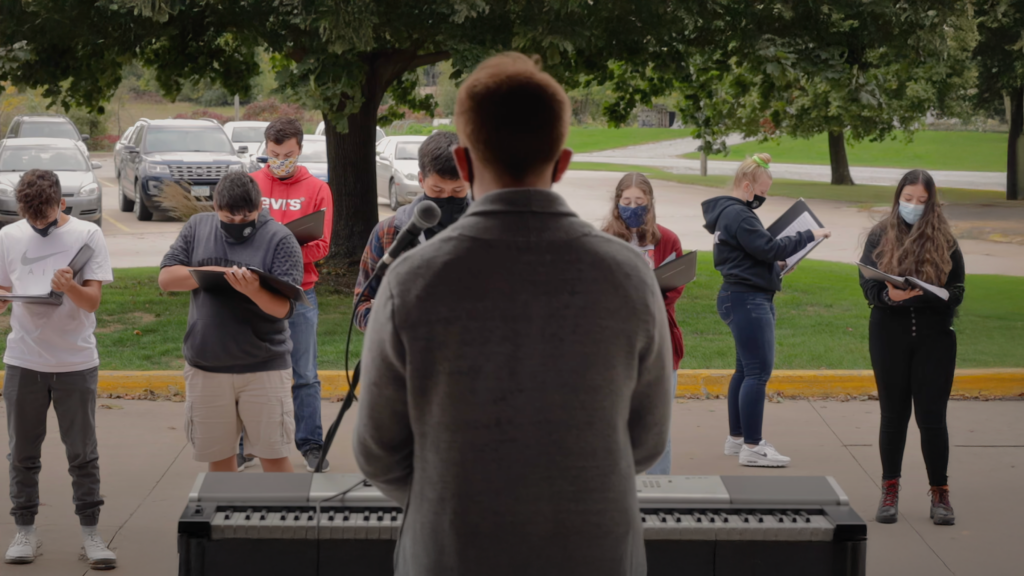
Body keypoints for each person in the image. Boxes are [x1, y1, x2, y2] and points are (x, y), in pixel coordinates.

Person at [353, 52, 673, 576]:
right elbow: (645, 442)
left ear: (463, 163)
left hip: (451, 551)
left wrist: (455, 501)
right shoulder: (629, 275)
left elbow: (379, 454)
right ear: (563, 162)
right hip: (594, 552)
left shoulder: (412, 281)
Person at [0, 169, 117, 568]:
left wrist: (69, 288)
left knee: (82, 454)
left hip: (76, 361)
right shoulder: (8, 237)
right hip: (23, 360)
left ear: (61, 204)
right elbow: (3, 289)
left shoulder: (88, 235)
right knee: (21, 455)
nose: (38, 225)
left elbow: (92, 303)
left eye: (46, 218)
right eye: (31, 219)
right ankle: (25, 532)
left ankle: (92, 535)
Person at [158, 171, 304, 474]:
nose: (238, 225)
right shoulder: (197, 227)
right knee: (220, 458)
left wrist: (254, 290)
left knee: (274, 456)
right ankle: (224, 520)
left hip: (264, 367)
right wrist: (209, 271)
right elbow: (167, 279)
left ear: (260, 205)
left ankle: (287, 522)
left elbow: (284, 309)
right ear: (214, 206)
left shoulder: (280, 238)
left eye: (246, 218)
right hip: (206, 366)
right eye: (229, 218)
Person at [701, 153, 831, 467]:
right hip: (748, 300)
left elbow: (751, 257)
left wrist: (780, 266)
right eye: (763, 191)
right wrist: (810, 235)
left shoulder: (728, 214)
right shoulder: (740, 215)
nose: (763, 197)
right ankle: (752, 446)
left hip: (740, 295)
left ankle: (737, 439)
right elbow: (770, 248)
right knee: (757, 374)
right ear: (748, 186)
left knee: (745, 371)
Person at [858, 169, 964, 526]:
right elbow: (868, 286)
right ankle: (890, 489)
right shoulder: (879, 234)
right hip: (889, 334)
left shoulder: (945, 239)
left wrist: (934, 295)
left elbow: (959, 290)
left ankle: (940, 493)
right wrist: (889, 294)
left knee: (932, 419)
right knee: (893, 416)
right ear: (898, 197)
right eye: (908, 199)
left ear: (931, 202)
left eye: (921, 201)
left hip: (935, 338)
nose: (913, 206)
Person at [247, 117, 335, 473]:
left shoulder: (317, 189)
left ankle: (311, 444)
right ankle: (245, 444)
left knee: (304, 374)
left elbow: (322, 245)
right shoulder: (252, 184)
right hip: (254, 291)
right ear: (265, 149)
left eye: (287, 154)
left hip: (301, 292)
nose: (280, 159)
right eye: (273, 154)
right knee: (248, 372)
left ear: (300, 150)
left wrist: (282, 250)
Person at [602, 171, 685, 475]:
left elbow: (673, 289)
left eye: (640, 201)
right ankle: (619, 488)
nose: (633, 206)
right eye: (627, 201)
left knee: (657, 425)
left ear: (650, 203)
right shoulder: (604, 239)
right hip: (615, 347)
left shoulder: (668, 239)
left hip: (659, 343)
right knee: (615, 423)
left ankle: (658, 492)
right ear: (617, 202)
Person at [353, 129, 468, 331]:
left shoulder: (490, 230)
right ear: (421, 180)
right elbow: (361, 304)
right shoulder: (387, 232)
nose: (447, 197)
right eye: (437, 190)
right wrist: (395, 325)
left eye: (458, 190)